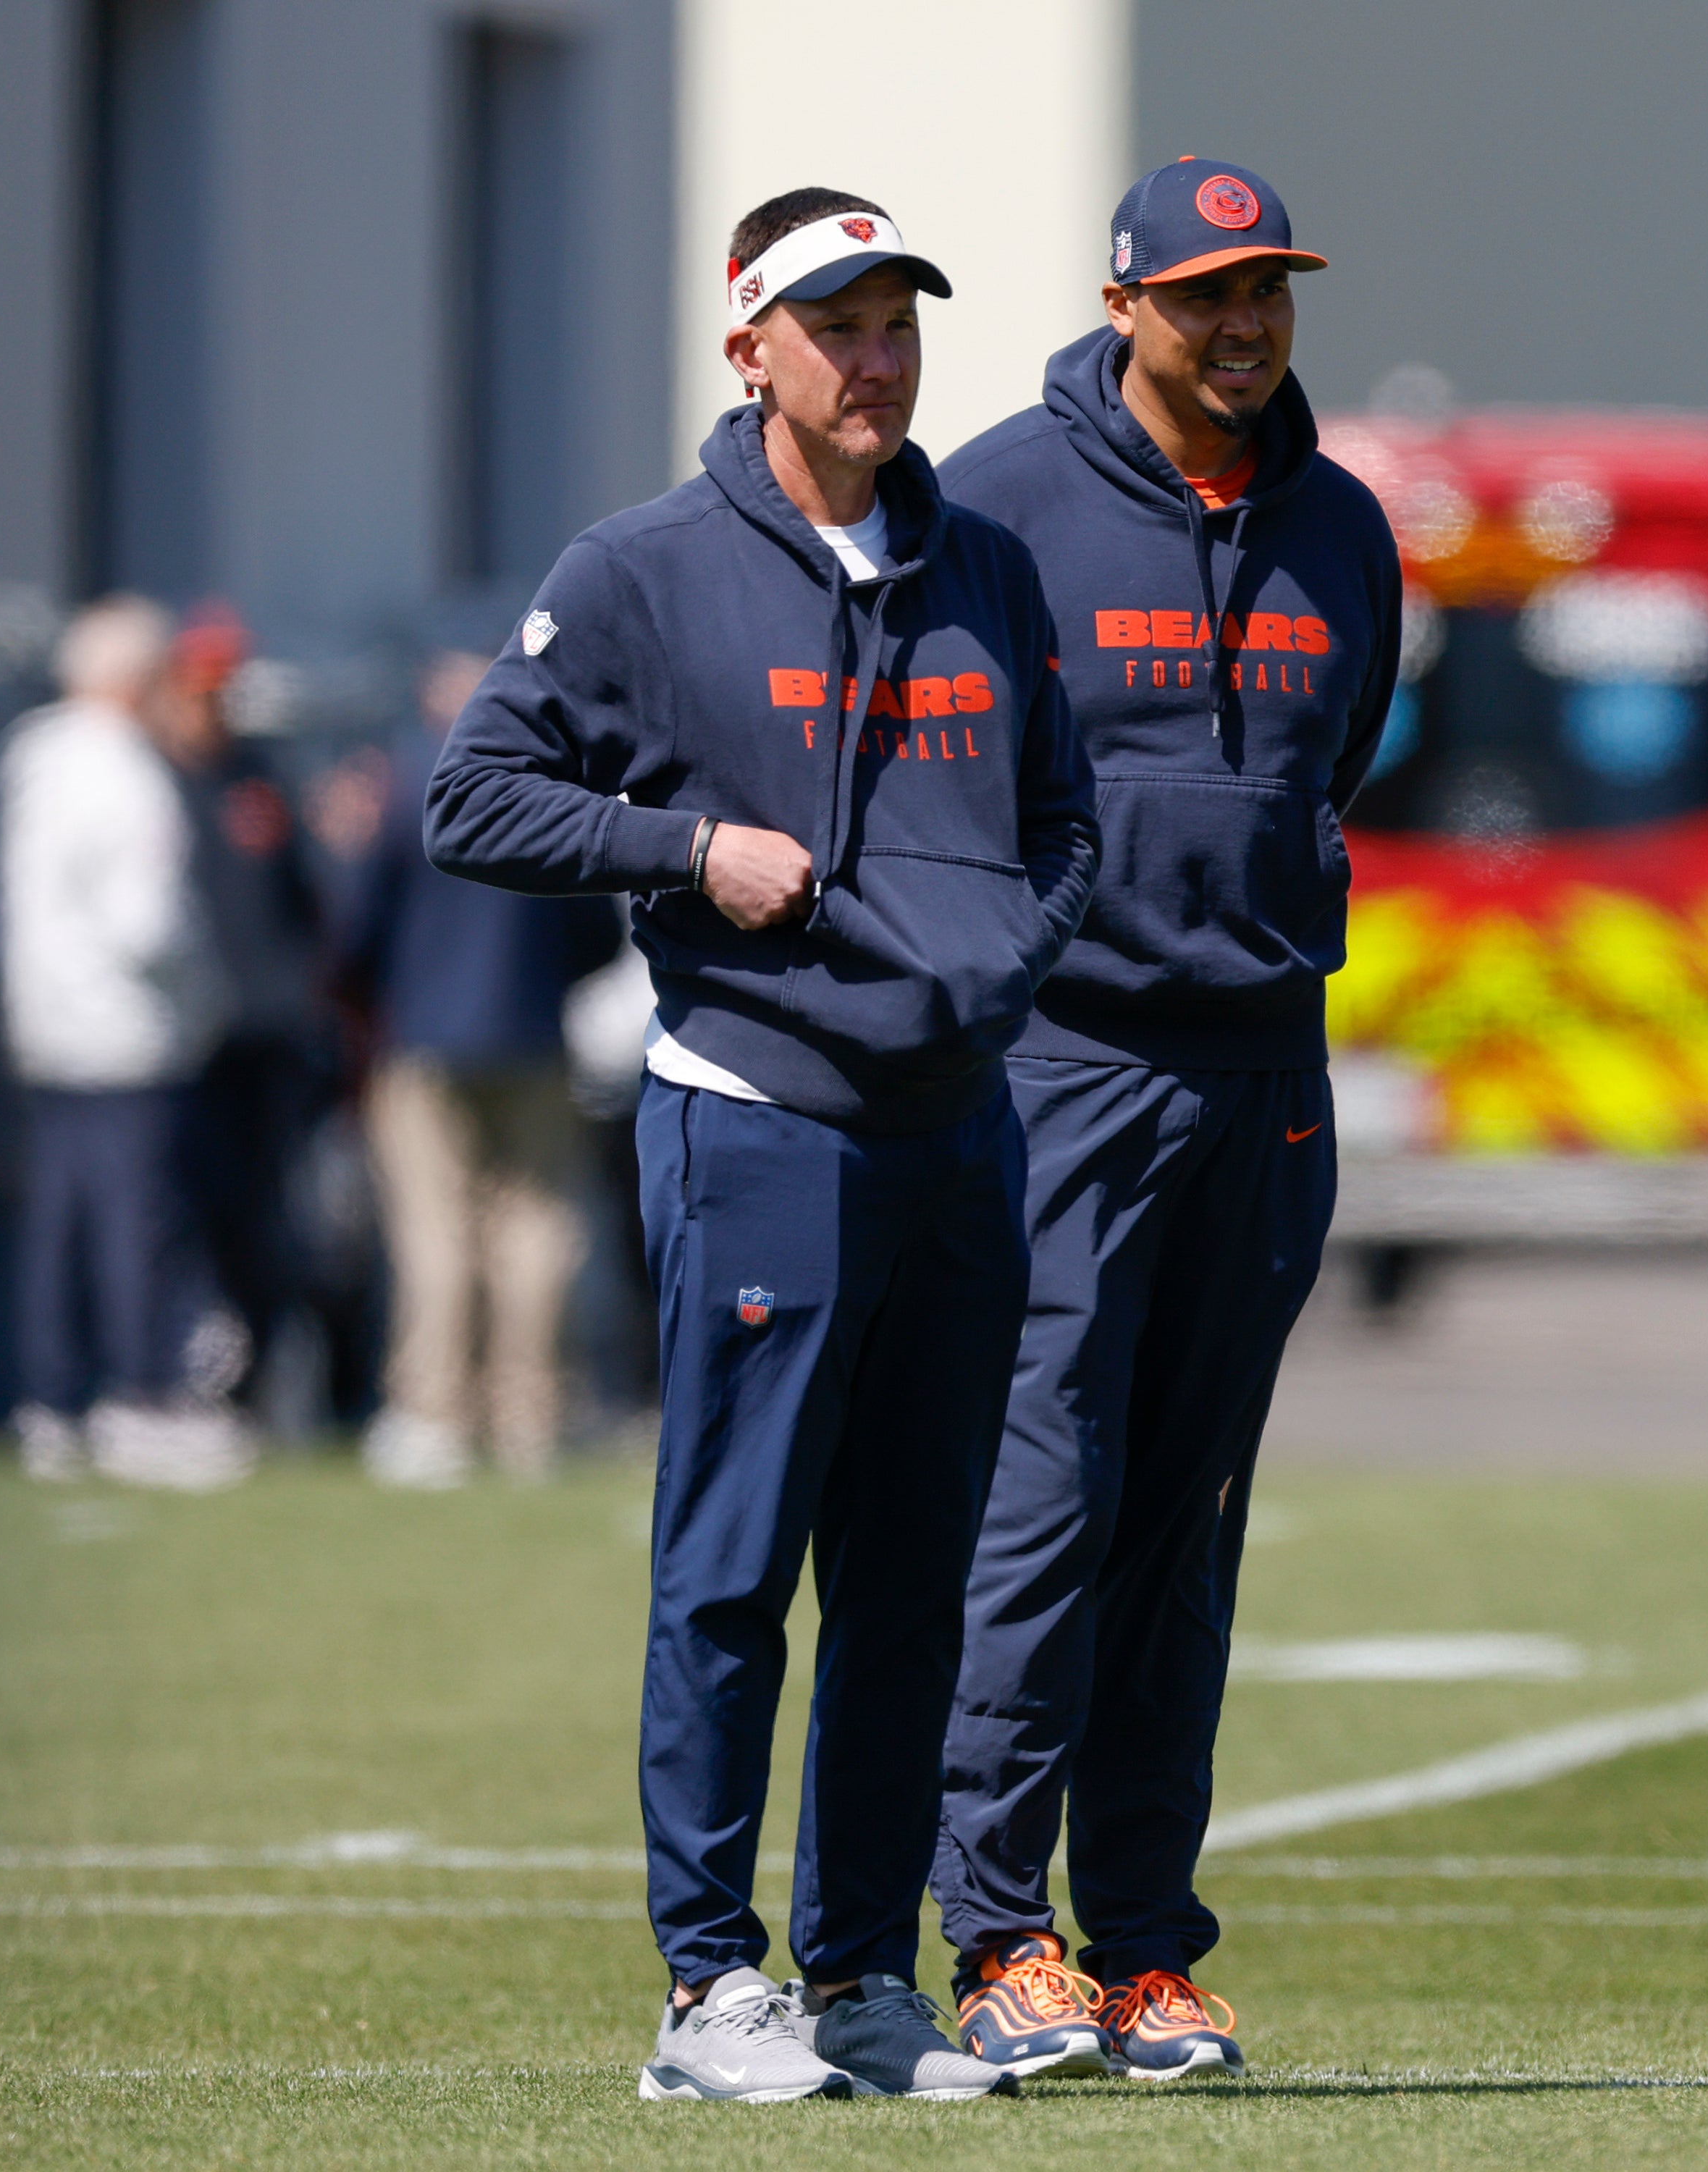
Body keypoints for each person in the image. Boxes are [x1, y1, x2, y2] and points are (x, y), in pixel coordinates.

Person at [426, 188, 1098, 2105]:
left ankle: (865, 1982)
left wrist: (1003, 969)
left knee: (912, 1582)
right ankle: (707, 1989)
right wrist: (684, 853)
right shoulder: (642, 571)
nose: (874, 359)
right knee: (733, 1574)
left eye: (895, 324)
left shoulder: (983, 564)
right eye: (835, 327)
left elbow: (1060, 825)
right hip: (759, 1122)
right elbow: (476, 795)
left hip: (956, 1134)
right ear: (751, 352)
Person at [925, 156, 1397, 2082]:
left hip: (1267, 1073)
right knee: (1037, 1501)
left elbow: (1333, 753)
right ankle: (991, 1933)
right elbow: (944, 777)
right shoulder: (997, 504)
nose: (1243, 323)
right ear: (1124, 304)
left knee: (1186, 1523)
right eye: (1204, 293)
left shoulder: (1347, 524)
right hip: (1064, 1070)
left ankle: (1142, 1949)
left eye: (1266, 287)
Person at [340, 641, 625, 1486]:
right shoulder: (553, 783)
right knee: (538, 1231)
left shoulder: (405, 779)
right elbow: (595, 928)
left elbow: (359, 925)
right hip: (533, 1036)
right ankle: (531, 1417)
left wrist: (383, 994)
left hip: (426, 1042)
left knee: (435, 1230)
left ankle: (435, 1416)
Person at [0, 596, 249, 1491]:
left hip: (48, 1029)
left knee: (60, 1222)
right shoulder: (125, 773)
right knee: (136, 1222)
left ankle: (52, 1400)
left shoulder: (36, 756)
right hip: (125, 1032)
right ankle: (143, 1396)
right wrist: (204, 995)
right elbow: (151, 928)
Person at [156, 605, 337, 1421]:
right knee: (189, 1207)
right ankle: (193, 1372)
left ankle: (274, 1377)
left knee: (273, 1213)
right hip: (189, 1038)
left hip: (271, 1038)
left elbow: (310, 899)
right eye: (201, 686)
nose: (213, 703)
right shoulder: (153, 780)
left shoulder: (261, 778)